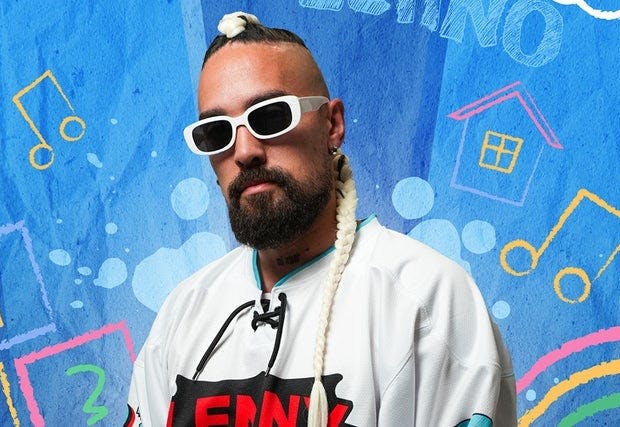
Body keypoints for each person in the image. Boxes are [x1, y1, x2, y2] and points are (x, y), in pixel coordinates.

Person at [126, 11, 517, 427]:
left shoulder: (428, 301)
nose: (244, 151)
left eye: (271, 117)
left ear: (332, 125)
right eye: (217, 132)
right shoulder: (182, 314)